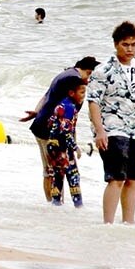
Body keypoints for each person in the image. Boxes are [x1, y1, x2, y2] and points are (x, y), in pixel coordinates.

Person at [87, 21, 135, 224]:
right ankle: (108, 223)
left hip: (134, 128)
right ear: (116, 44)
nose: (130, 49)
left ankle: (129, 222)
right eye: (125, 44)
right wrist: (99, 131)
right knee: (116, 178)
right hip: (112, 127)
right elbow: (93, 101)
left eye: (134, 44)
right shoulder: (103, 70)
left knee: (134, 178)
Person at [21, 56, 100, 202]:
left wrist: (37, 113)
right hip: (52, 133)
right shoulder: (73, 79)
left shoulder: (64, 75)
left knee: (51, 171)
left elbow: (47, 97)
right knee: (56, 171)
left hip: (43, 126)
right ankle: (55, 207)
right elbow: (66, 117)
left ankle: (54, 206)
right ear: (86, 71)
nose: (88, 81)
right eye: (89, 75)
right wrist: (73, 144)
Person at [45, 75, 86, 208]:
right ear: (71, 93)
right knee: (73, 175)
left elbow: (50, 123)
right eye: (81, 92)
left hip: (53, 145)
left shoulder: (61, 104)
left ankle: (55, 205)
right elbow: (66, 130)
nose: (84, 96)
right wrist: (75, 147)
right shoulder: (69, 107)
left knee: (57, 176)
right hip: (62, 147)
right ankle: (78, 206)